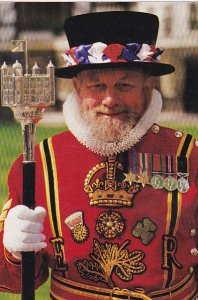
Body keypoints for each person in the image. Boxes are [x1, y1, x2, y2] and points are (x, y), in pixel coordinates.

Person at [0, 10, 198, 300]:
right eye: (96, 86)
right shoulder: (41, 163)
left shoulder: (189, 156)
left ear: (148, 86)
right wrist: (14, 252)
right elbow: (15, 281)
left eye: (124, 85)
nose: (109, 100)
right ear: (77, 88)